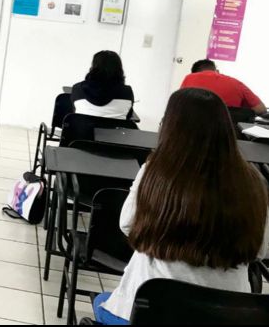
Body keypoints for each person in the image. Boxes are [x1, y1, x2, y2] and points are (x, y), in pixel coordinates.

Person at [92, 88, 269, 325]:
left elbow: (127, 224)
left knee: (102, 301)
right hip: (225, 316)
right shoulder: (253, 181)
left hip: (151, 313)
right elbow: (261, 250)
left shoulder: (155, 172)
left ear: (170, 127)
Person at [181, 59, 266, 115]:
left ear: (194, 73)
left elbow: (178, 106)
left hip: (191, 133)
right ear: (217, 71)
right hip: (226, 136)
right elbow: (261, 109)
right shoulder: (235, 83)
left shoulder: (189, 78)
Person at [71, 50, 134, 119]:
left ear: (93, 67)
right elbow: (128, 117)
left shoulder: (77, 89)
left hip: (82, 129)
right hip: (114, 129)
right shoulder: (127, 92)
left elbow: (74, 113)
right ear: (119, 69)